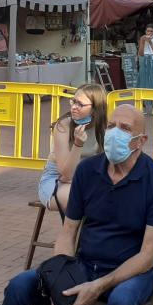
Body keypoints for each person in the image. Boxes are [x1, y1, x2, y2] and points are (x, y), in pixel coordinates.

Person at [2, 105, 153, 305]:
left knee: (121, 302)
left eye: (125, 128)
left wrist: (99, 285)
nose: (114, 132)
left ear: (141, 141)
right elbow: (68, 232)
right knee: (18, 286)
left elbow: (147, 257)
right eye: (111, 126)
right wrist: (61, 281)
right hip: (85, 265)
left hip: (133, 273)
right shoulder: (87, 170)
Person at [38, 84, 108, 213]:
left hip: (85, 178)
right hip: (56, 179)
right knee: (78, 199)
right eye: (74, 101)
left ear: (95, 108)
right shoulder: (64, 125)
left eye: (80, 104)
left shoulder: (103, 128)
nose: (74, 107)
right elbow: (66, 174)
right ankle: (71, 233)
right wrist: (78, 145)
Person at [137, 24, 153, 92]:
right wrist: (143, 42)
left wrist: (150, 42)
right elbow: (141, 53)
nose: (149, 33)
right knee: (143, 77)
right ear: (145, 31)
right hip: (144, 59)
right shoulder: (142, 38)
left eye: (151, 31)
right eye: (148, 31)